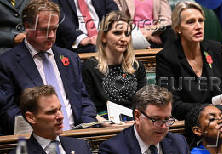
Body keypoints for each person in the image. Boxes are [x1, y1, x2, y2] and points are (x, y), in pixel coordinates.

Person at [0, 0, 97, 135]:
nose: (51, 35)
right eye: (45, 30)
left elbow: (84, 100)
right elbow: (8, 110)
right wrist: (39, 134)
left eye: (54, 29)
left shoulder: (70, 58)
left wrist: (86, 129)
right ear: (28, 27)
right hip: (36, 141)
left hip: (78, 137)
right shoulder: (7, 63)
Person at [156, 1, 222, 121]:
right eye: (190, 22)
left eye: (201, 20)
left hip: (217, 121)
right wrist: (217, 108)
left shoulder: (214, 49)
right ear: (178, 28)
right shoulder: (167, 57)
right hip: (187, 123)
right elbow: (173, 105)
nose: (198, 26)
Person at [82, 11, 147, 115]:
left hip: (133, 120)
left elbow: (142, 104)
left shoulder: (137, 66)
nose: (123, 39)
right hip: (104, 123)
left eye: (127, 34)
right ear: (103, 37)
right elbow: (88, 105)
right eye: (117, 33)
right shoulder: (90, 67)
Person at [52, 0, 118, 53]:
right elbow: (58, 16)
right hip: (75, 44)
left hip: (105, 38)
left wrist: (106, 34)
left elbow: (113, 12)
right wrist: (82, 38)